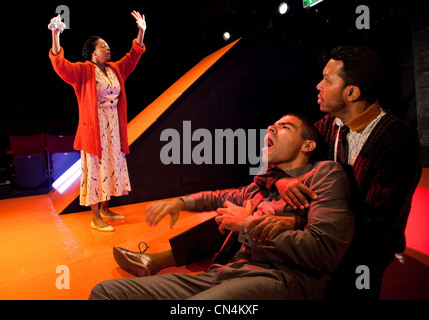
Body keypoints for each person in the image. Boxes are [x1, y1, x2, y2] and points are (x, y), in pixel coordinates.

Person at [89, 114, 355, 300]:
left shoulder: (324, 174)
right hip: (226, 273)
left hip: (278, 279)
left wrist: (246, 224)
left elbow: (325, 252)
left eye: (284, 127)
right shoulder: (262, 185)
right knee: (107, 292)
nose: (271, 129)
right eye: (271, 125)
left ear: (308, 145)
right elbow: (218, 197)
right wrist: (180, 202)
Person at [270, 46, 422, 299]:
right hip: (321, 240)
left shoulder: (396, 142)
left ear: (351, 92)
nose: (318, 85)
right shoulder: (329, 125)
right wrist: (281, 181)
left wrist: (298, 225)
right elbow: (272, 160)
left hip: (362, 255)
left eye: (327, 80)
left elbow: (374, 226)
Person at [49, 11, 147, 231]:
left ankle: (105, 208)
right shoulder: (83, 71)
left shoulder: (115, 69)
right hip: (94, 128)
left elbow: (133, 56)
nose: (108, 48)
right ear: (93, 53)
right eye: (103, 46)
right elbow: (60, 65)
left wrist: (141, 31)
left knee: (111, 167)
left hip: (113, 126)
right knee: (95, 171)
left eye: (108, 46)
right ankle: (95, 217)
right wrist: (56, 35)